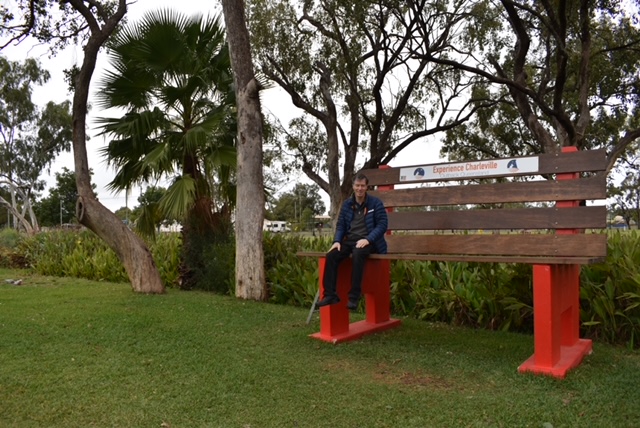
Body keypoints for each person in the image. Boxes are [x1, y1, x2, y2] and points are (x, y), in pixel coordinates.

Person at [316, 172, 388, 310]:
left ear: (367, 187)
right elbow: (341, 226)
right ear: (353, 186)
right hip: (350, 240)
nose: (360, 188)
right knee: (331, 255)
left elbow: (382, 225)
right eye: (357, 185)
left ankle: (354, 297)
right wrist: (337, 241)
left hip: (370, 242)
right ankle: (330, 295)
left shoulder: (375, 203)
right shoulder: (347, 204)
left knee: (358, 253)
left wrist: (368, 239)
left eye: (362, 186)